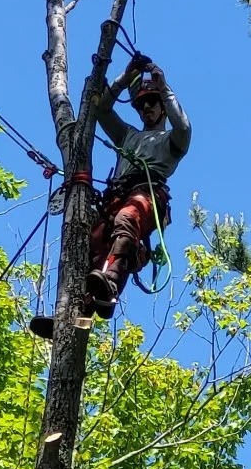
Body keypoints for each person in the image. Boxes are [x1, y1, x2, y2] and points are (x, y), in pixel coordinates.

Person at [30, 54, 191, 339]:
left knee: (128, 219)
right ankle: (73, 320)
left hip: (147, 193)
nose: (146, 109)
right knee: (91, 245)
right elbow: (101, 109)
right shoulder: (128, 135)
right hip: (115, 197)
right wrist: (126, 77)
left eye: (152, 103)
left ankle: (111, 286)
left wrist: (163, 87)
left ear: (163, 107)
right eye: (141, 105)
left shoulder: (170, 142)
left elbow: (184, 127)